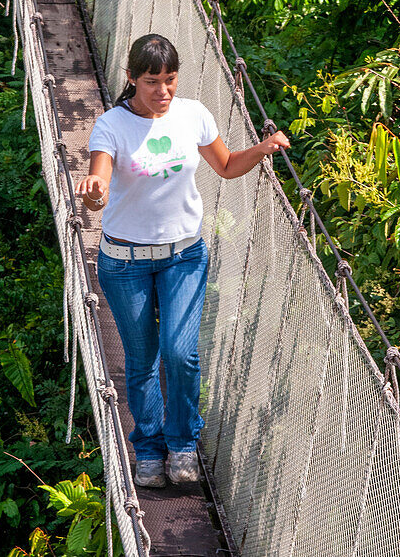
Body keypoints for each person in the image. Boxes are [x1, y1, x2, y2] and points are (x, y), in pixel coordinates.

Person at [75, 34, 290, 488]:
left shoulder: (194, 115)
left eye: (170, 81)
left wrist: (263, 148)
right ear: (131, 78)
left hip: (184, 256)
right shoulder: (111, 126)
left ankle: (183, 444)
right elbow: (99, 183)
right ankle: (149, 449)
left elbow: (227, 166)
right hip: (125, 261)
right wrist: (94, 192)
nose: (163, 92)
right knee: (142, 359)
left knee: (180, 353)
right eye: (152, 82)